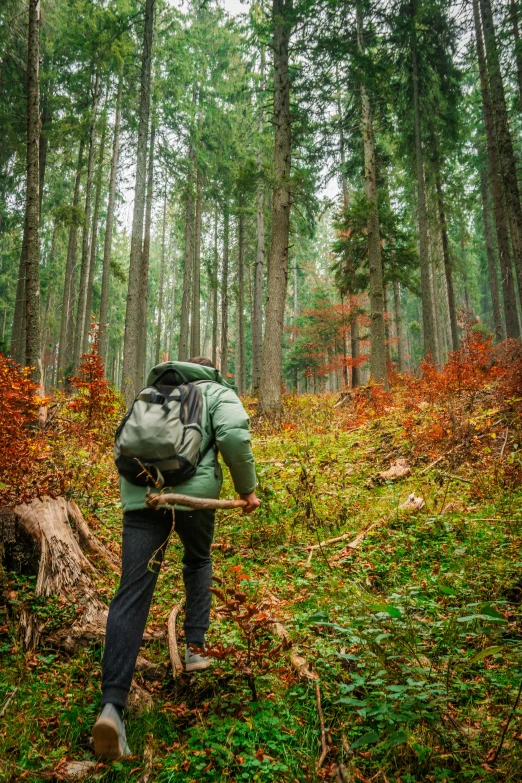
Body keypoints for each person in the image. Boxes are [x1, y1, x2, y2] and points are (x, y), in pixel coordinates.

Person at [92, 357, 260, 759]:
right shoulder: (217, 391)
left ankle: (112, 707)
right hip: (194, 498)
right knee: (198, 560)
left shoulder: (152, 391)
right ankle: (195, 647)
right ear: (212, 369)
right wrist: (247, 489)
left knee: (131, 592)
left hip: (142, 499)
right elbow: (234, 437)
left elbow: (128, 445)